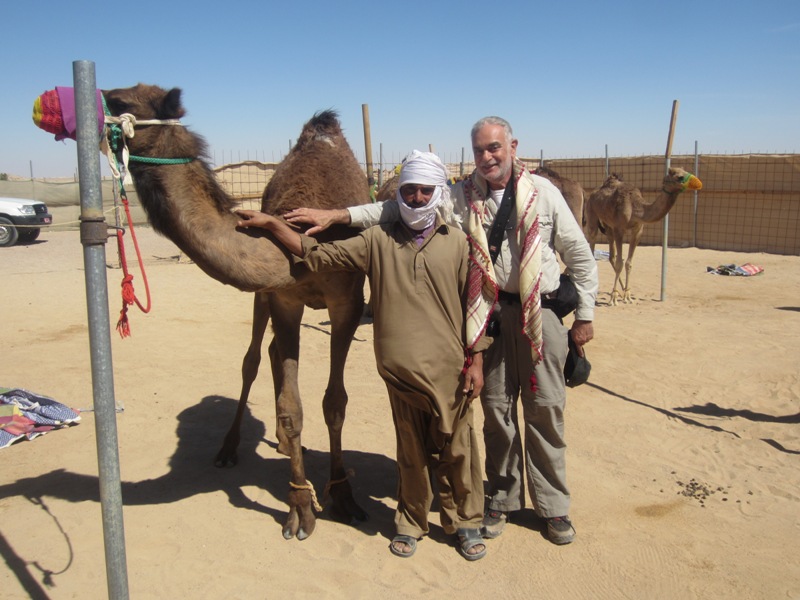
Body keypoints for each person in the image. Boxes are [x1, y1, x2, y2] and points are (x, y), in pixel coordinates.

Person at [284, 117, 598, 546]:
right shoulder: (458, 196)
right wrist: (338, 214)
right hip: (485, 314)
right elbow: (395, 208)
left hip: (536, 313)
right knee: (496, 414)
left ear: (512, 146)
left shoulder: (544, 195)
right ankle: (501, 500)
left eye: (494, 148)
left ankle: (553, 506)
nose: (487, 157)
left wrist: (585, 314)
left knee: (544, 410)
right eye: (480, 150)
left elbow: (579, 254)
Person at [236, 150, 492, 561]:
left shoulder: (458, 243)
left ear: (438, 194)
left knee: (458, 449)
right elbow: (315, 254)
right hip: (400, 370)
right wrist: (271, 223)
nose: (417, 198)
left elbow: (476, 306)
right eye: (409, 191)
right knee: (409, 452)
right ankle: (411, 522)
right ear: (399, 196)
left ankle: (466, 522)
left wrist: (477, 359)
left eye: (426, 191)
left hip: (449, 368)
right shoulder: (377, 240)